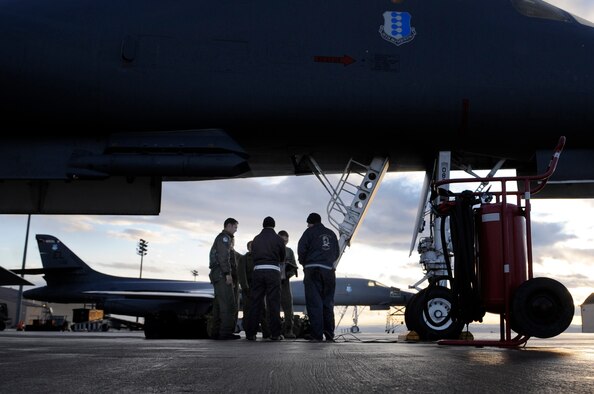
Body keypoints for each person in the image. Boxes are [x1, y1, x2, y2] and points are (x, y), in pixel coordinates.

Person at [297, 212, 339, 342]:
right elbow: (336, 252)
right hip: (328, 271)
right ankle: (329, 334)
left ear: (310, 222)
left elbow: (302, 249)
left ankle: (316, 334)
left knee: (315, 303)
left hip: (312, 270)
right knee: (328, 303)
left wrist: (305, 263)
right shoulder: (331, 233)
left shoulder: (308, 232)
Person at [245, 216, 286, 341]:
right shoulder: (278, 239)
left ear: (263, 225)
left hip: (258, 270)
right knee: (273, 302)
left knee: (255, 302)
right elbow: (282, 256)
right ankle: (275, 334)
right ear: (274, 225)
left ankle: (251, 333)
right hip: (273, 271)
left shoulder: (256, 239)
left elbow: (253, 254)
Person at [208, 217, 241, 340]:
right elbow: (224, 257)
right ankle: (225, 332)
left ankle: (216, 332)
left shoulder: (225, 239)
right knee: (228, 303)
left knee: (219, 304)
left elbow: (231, 254)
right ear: (228, 226)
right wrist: (228, 274)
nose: (236, 230)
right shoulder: (224, 238)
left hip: (218, 274)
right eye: (235, 227)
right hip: (222, 274)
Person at [237, 240, 270, 338]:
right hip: (249, 288)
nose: (253, 248)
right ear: (248, 248)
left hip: (260, 287)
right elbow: (241, 274)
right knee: (248, 311)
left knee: (262, 310)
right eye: (251, 246)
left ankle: (267, 332)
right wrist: (245, 287)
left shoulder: (260, 258)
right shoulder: (244, 258)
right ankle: (250, 333)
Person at [277, 230, 298, 339]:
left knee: (288, 308)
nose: (285, 242)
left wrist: (287, 275)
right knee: (272, 307)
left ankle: (288, 331)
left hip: (285, 283)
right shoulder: (273, 249)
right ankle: (275, 331)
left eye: (286, 240)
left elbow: (294, 266)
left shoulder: (289, 251)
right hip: (273, 283)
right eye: (282, 240)